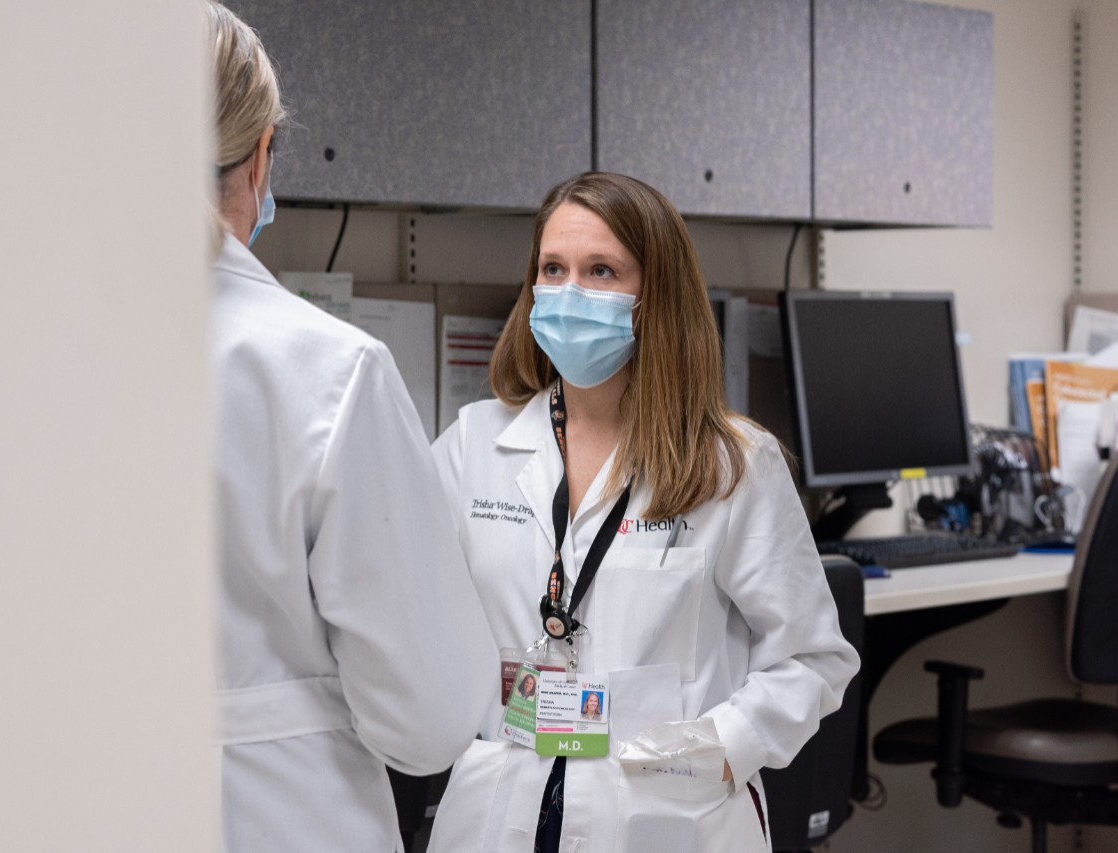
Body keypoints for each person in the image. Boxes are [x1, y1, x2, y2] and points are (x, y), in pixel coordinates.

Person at [426, 172, 859, 852]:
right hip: (504, 802)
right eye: (553, 269)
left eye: (601, 270)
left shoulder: (729, 464)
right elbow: (417, 626)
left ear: (654, 294)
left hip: (664, 812)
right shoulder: (473, 446)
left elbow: (813, 657)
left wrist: (713, 752)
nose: (570, 292)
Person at [204, 4, 496, 851]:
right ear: (260, 155)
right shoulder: (329, 368)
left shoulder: (3, 356)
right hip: (283, 816)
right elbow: (431, 715)